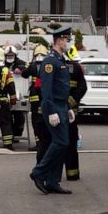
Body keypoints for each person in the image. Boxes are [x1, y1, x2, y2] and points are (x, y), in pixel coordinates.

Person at [29, 25, 75, 195]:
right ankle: (38, 173)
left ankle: (53, 181)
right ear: (59, 40)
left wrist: (68, 107)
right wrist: (51, 111)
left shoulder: (60, 59)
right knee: (61, 142)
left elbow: (62, 87)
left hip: (62, 106)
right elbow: (46, 90)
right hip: (54, 106)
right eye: (66, 40)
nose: (68, 43)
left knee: (63, 144)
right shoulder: (49, 61)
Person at [63, 44, 88, 181]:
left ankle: (66, 173)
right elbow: (83, 87)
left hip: (63, 111)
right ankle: (72, 174)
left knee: (61, 142)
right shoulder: (76, 67)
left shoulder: (54, 64)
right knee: (70, 142)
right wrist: (72, 102)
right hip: (70, 111)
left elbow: (83, 87)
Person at [21, 44, 49, 156]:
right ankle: (46, 142)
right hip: (46, 97)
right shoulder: (49, 65)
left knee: (36, 120)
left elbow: (24, 75)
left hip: (35, 98)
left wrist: (26, 66)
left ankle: (39, 143)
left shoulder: (32, 66)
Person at [4, 45, 27, 139]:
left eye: (11, 55)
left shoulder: (20, 62)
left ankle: (17, 133)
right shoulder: (1, 63)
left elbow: (27, 67)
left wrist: (20, 69)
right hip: (4, 93)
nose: (10, 57)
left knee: (19, 116)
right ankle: (8, 135)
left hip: (18, 92)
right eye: (8, 55)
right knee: (6, 117)